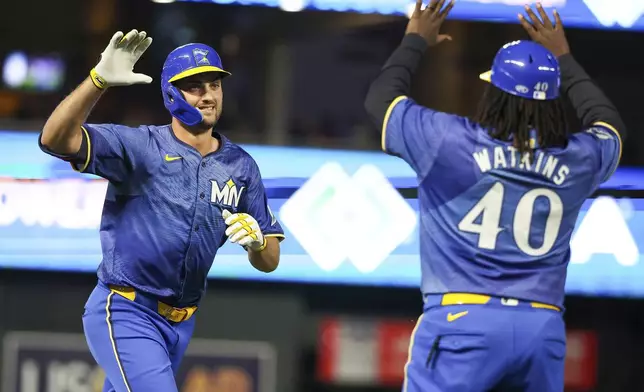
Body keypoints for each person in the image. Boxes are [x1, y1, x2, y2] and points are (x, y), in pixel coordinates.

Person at [364, 1, 625, 391]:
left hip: (463, 320)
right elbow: (610, 126)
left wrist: (415, 39)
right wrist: (564, 59)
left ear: (495, 94)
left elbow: (380, 101)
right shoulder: (577, 158)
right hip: (542, 327)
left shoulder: (449, 142)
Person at [38, 29, 285, 391]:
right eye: (195, 86)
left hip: (180, 324)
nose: (208, 95)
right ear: (171, 93)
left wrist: (257, 244)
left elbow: (271, 259)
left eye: (214, 84)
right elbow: (54, 140)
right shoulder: (142, 146)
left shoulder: (240, 166)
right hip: (126, 309)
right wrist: (98, 81)